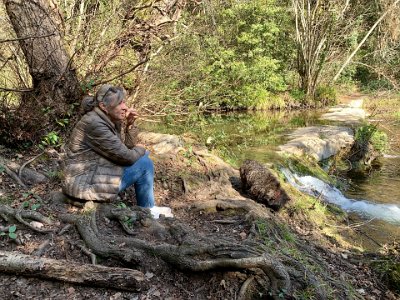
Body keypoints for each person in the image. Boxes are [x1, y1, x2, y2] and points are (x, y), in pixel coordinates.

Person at [61, 84, 172, 218]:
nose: (125, 107)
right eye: (120, 103)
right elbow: (127, 157)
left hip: (91, 176)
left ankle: (148, 207)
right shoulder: (95, 124)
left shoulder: (107, 119)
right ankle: (148, 209)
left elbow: (125, 149)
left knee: (143, 158)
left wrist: (130, 125)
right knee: (144, 163)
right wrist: (141, 148)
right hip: (83, 186)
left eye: (124, 102)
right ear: (103, 106)